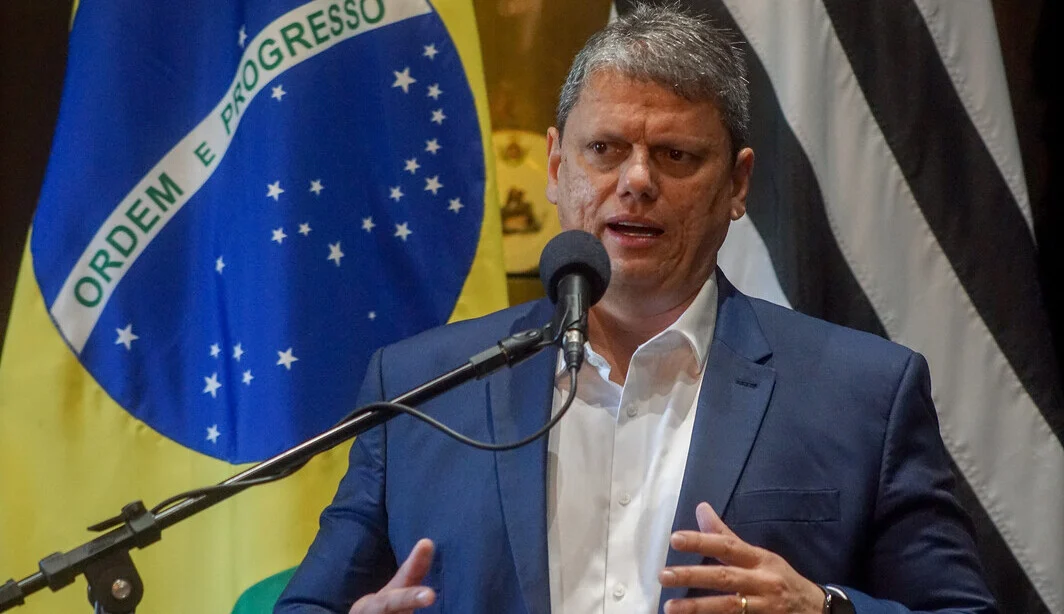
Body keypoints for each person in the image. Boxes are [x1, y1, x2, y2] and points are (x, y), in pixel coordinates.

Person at [276, 5, 997, 613]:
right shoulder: (419, 389)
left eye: (677, 155)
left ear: (738, 184)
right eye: (605, 149)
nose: (637, 180)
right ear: (556, 167)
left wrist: (825, 608)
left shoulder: (862, 393)